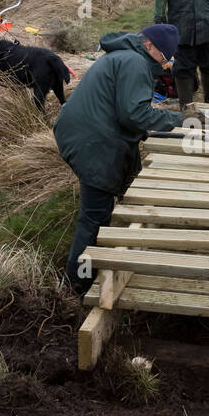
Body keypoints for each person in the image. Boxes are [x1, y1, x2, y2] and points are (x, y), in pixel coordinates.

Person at [54, 23, 182, 295]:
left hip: (85, 131)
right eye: (163, 57)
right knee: (94, 216)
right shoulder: (135, 63)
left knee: (112, 196)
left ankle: (96, 264)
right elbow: (134, 115)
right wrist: (175, 120)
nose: (164, 63)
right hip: (91, 140)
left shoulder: (124, 55)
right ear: (149, 45)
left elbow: (126, 112)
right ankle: (77, 285)